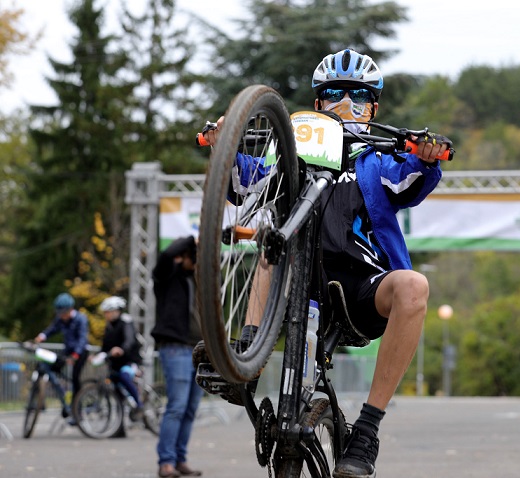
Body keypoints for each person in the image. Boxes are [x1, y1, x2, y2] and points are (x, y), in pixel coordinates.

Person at [200, 48, 452, 478]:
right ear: (317, 105)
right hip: (293, 280)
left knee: (415, 287)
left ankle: (367, 430)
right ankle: (245, 359)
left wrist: (425, 157)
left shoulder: (378, 163)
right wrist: (225, 141)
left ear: (374, 109)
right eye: (334, 95)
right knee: (272, 243)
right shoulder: (289, 157)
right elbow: (242, 181)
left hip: (359, 290)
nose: (345, 107)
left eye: (359, 98)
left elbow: (410, 178)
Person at [151, 235, 204, 478]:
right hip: (176, 347)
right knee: (177, 406)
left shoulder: (200, 280)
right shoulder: (167, 276)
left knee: (190, 408)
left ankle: (180, 459)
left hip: (199, 350)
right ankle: (167, 462)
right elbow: (165, 254)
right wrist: (190, 241)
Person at [34, 292, 89, 421]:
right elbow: (52, 329)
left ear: (70, 309)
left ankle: (77, 411)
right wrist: (42, 336)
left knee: (76, 379)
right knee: (50, 366)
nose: (62, 316)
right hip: (67, 351)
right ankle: (61, 394)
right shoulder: (60, 319)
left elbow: (82, 339)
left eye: (64, 313)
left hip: (80, 352)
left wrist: (76, 354)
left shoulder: (81, 319)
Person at [99, 295, 144, 421]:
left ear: (115, 311)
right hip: (115, 365)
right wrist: (97, 355)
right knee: (115, 386)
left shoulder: (126, 322)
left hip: (130, 362)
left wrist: (121, 349)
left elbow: (129, 340)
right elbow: (105, 346)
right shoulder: (108, 327)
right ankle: (120, 426)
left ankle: (139, 404)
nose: (106, 315)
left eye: (107, 312)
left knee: (124, 376)